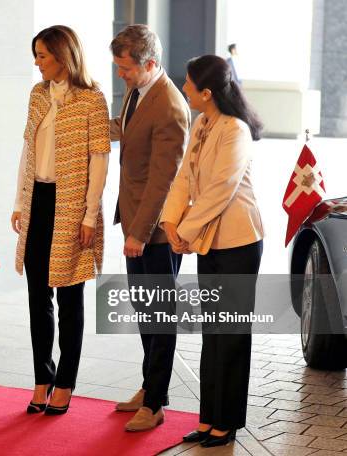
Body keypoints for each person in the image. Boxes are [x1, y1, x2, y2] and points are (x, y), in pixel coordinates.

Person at [160, 54, 264, 447]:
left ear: (205, 92)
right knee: (212, 333)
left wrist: (185, 229)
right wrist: (170, 223)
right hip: (209, 239)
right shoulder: (203, 123)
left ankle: (227, 421)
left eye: (188, 83)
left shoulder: (234, 130)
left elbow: (221, 189)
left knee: (231, 333)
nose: (183, 87)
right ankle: (208, 419)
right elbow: (185, 178)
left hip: (239, 241)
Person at [11, 25, 110, 415]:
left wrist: (89, 214)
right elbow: (28, 148)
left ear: (63, 56)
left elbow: (99, 160)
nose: (37, 63)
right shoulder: (37, 95)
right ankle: (42, 378)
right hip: (38, 199)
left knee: (69, 294)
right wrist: (19, 201)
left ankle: (66, 382)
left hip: (72, 204)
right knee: (39, 296)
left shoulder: (92, 100)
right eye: (35, 55)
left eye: (43, 56)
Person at [109, 24, 190, 432]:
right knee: (144, 309)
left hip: (155, 232)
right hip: (135, 222)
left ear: (151, 64)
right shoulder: (140, 90)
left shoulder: (171, 108)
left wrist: (139, 233)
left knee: (160, 315)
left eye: (125, 68)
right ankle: (149, 385)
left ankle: (155, 403)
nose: (120, 75)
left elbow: (164, 182)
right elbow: (128, 131)